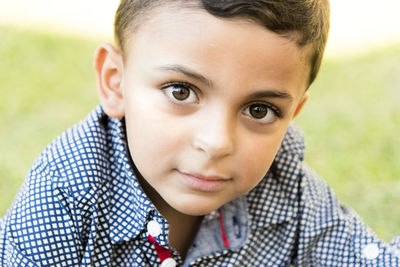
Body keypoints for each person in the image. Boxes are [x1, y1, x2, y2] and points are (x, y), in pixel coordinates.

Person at [0, 0, 399, 266]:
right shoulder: (65, 196)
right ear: (115, 82)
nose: (217, 142)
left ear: (292, 113)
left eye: (259, 110)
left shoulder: (287, 189)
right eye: (181, 91)